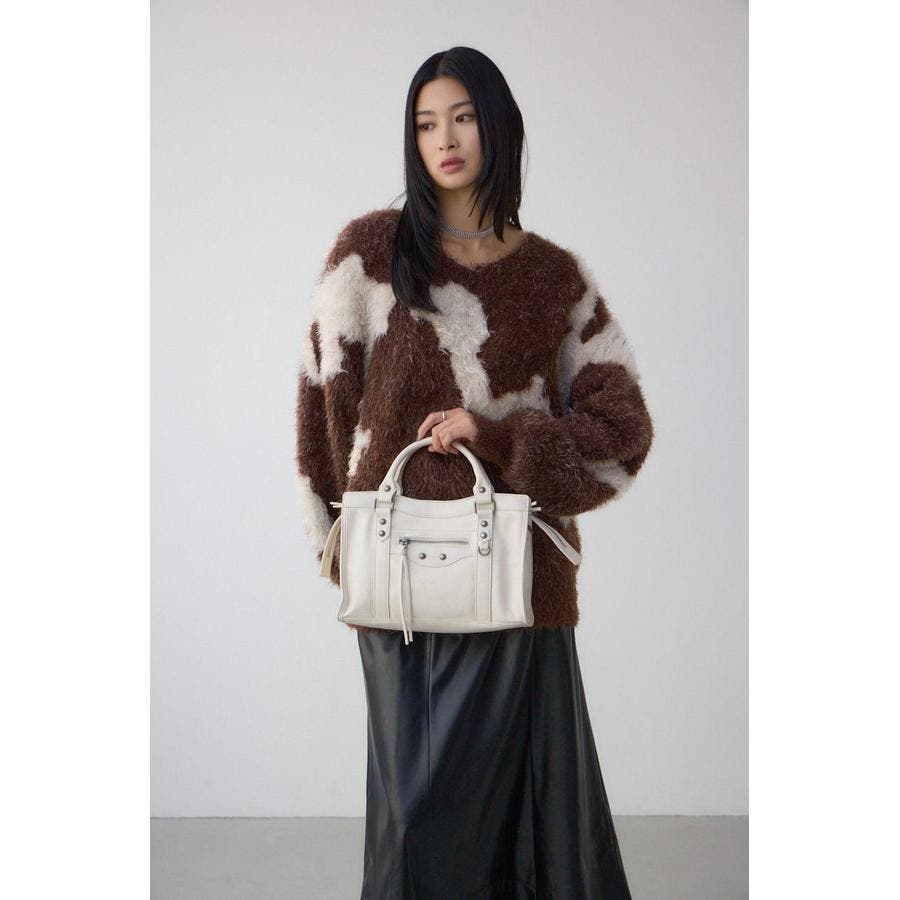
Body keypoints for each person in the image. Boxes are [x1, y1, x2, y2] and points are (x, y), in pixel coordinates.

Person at [295, 45, 654, 900]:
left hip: (520, 588)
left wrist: (496, 437)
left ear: (498, 126)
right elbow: (324, 409)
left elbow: (621, 435)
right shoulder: (370, 255)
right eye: (426, 124)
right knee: (415, 824)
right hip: (400, 586)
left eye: (461, 117)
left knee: (528, 836)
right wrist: (338, 545)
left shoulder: (555, 278)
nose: (445, 139)